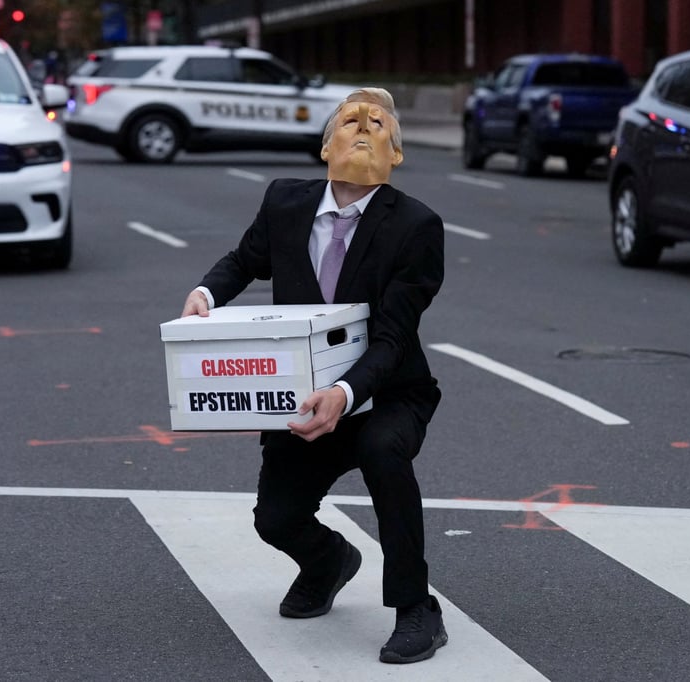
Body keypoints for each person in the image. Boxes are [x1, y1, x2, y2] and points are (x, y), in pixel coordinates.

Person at [180, 88, 447, 664]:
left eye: (379, 125)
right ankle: (329, 561)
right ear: (325, 145)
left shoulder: (417, 227)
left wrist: (346, 394)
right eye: (349, 121)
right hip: (302, 393)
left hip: (387, 393)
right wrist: (205, 294)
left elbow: (394, 338)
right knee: (275, 519)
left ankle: (416, 609)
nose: (362, 128)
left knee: (382, 453)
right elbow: (243, 261)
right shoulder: (285, 203)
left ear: (396, 156)